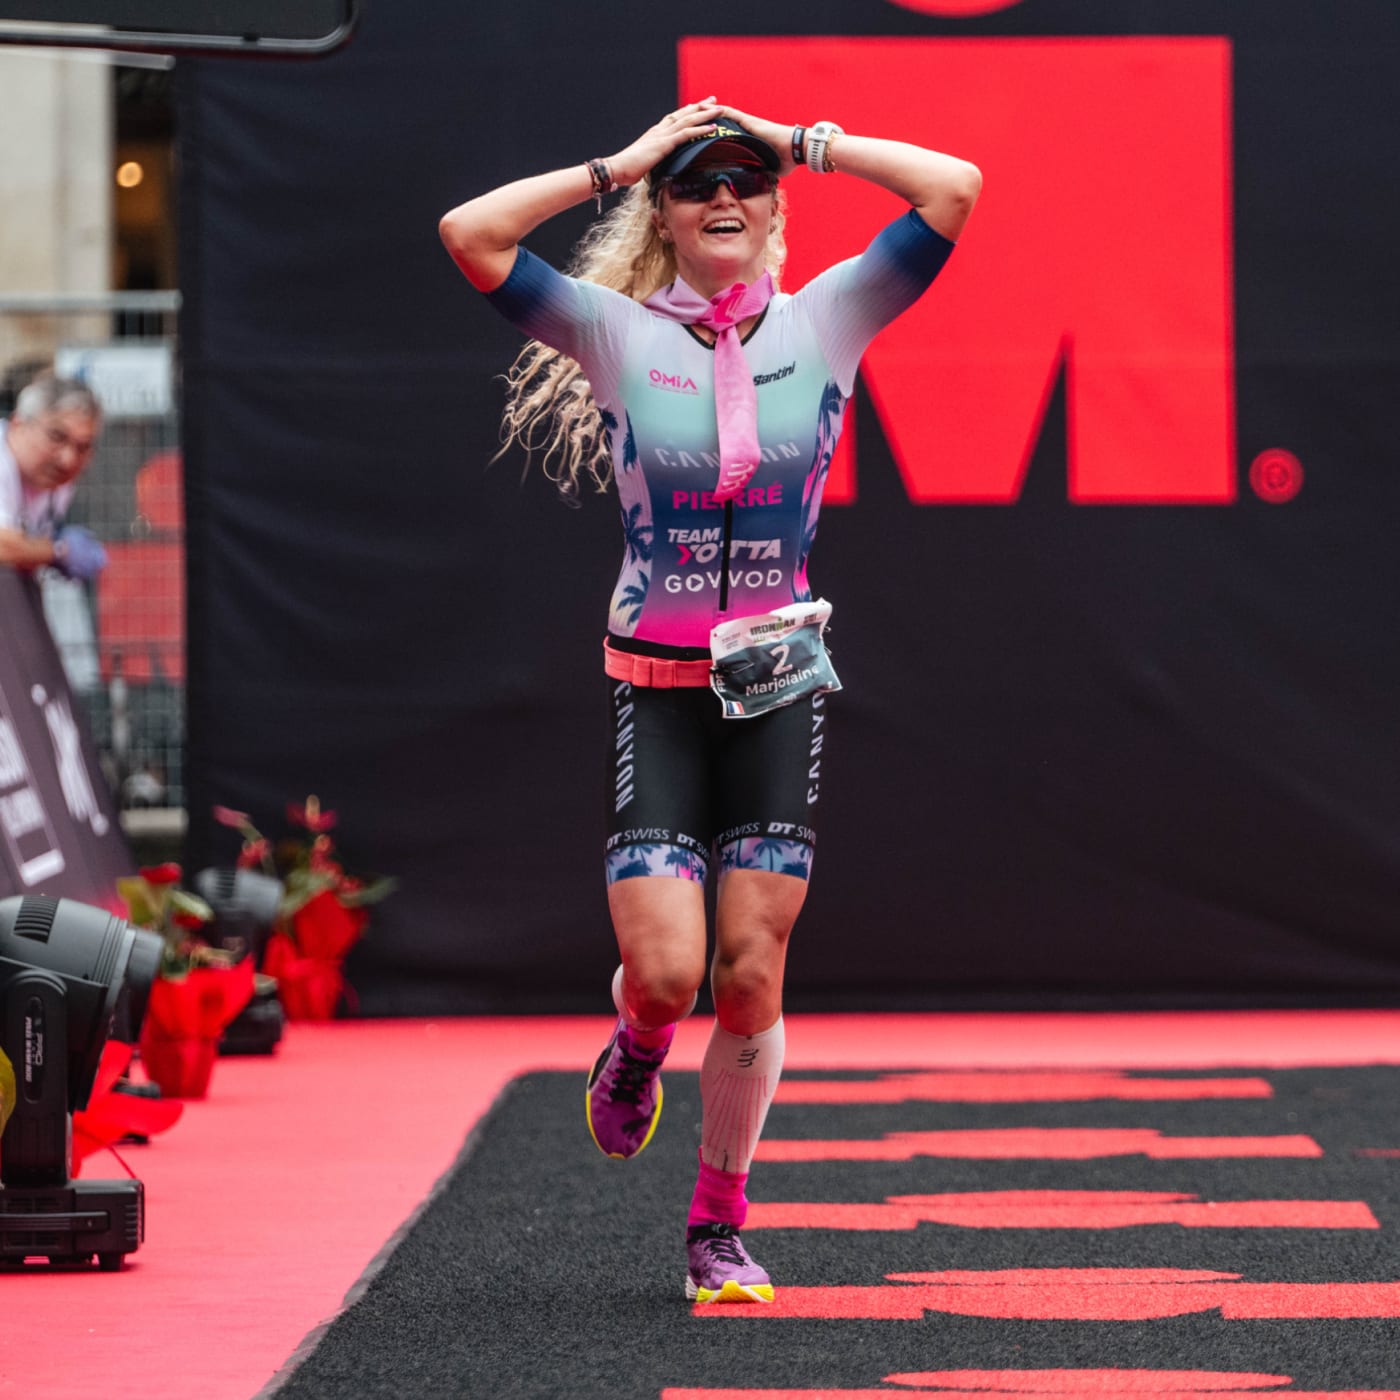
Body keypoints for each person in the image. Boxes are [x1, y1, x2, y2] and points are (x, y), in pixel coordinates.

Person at [440, 100, 979, 1303]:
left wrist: (801, 142)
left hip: (775, 684)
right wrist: (619, 163)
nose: (721, 196)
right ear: (665, 216)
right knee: (666, 976)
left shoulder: (827, 316)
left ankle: (716, 1227)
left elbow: (953, 187)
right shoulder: (615, 332)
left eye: (743, 180)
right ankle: (635, 1049)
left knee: (748, 973)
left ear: (774, 205)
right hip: (658, 685)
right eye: (694, 184)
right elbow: (470, 235)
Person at [0, 373, 107, 581]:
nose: (68, 459)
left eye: (83, 447)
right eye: (56, 437)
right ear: (18, 424)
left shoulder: (55, 480)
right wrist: (58, 550)